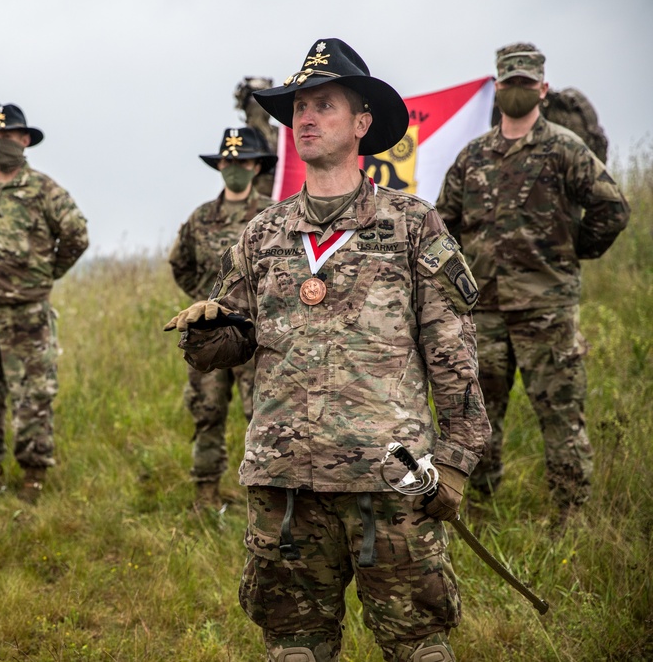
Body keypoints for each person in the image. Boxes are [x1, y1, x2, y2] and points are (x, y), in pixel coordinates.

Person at [165, 38, 489, 662]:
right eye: (299, 108)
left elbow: (454, 358)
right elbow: (233, 341)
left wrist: (454, 461)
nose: (305, 118)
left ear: (363, 123)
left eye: (324, 105)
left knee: (418, 647)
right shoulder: (262, 232)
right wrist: (207, 335)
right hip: (285, 485)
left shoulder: (412, 224)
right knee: (293, 648)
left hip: (391, 483)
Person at [436, 43, 630, 515]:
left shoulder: (566, 148)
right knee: (477, 419)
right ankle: (481, 511)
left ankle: (571, 518)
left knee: (562, 419)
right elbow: (443, 225)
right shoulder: (473, 155)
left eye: (526, 83)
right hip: (484, 312)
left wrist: (570, 254)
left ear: (542, 88)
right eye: (509, 83)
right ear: (497, 87)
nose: (517, 91)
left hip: (548, 313)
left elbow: (613, 208)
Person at [0, 103, 89, 504]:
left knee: (32, 399)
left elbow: (76, 235)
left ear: (25, 140)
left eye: (8, 136)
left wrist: (44, 275)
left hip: (28, 316)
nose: (1, 143)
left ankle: (32, 480)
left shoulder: (45, 190)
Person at [168, 127, 277, 511]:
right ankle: (206, 493)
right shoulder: (201, 218)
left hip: (255, 333)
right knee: (207, 411)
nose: (235, 168)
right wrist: (203, 298)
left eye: (243, 161)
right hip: (210, 335)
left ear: (256, 165)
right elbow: (179, 263)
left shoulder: (273, 215)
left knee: (261, 413)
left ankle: (262, 494)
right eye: (229, 161)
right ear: (220, 166)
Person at [235, 77, 280, 197]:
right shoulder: (240, 139)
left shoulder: (283, 135)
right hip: (252, 203)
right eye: (254, 99)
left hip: (286, 198)